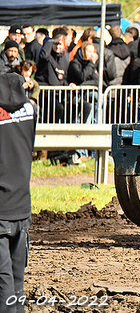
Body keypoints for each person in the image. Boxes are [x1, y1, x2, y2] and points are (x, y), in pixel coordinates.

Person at [0, 73, 36, 313]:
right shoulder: (31, 111)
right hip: (22, 208)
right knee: (17, 281)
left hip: (1, 209)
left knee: (3, 281)